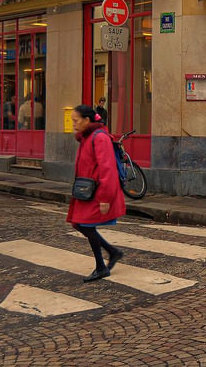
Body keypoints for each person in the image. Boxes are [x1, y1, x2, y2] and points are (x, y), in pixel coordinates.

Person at [66, 104, 126, 282]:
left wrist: (105, 198)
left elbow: (107, 169)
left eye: (76, 121)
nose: (74, 125)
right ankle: (112, 253)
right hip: (86, 191)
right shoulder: (87, 137)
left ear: (87, 120)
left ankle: (102, 266)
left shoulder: (99, 138)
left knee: (83, 224)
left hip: (97, 192)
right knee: (79, 223)